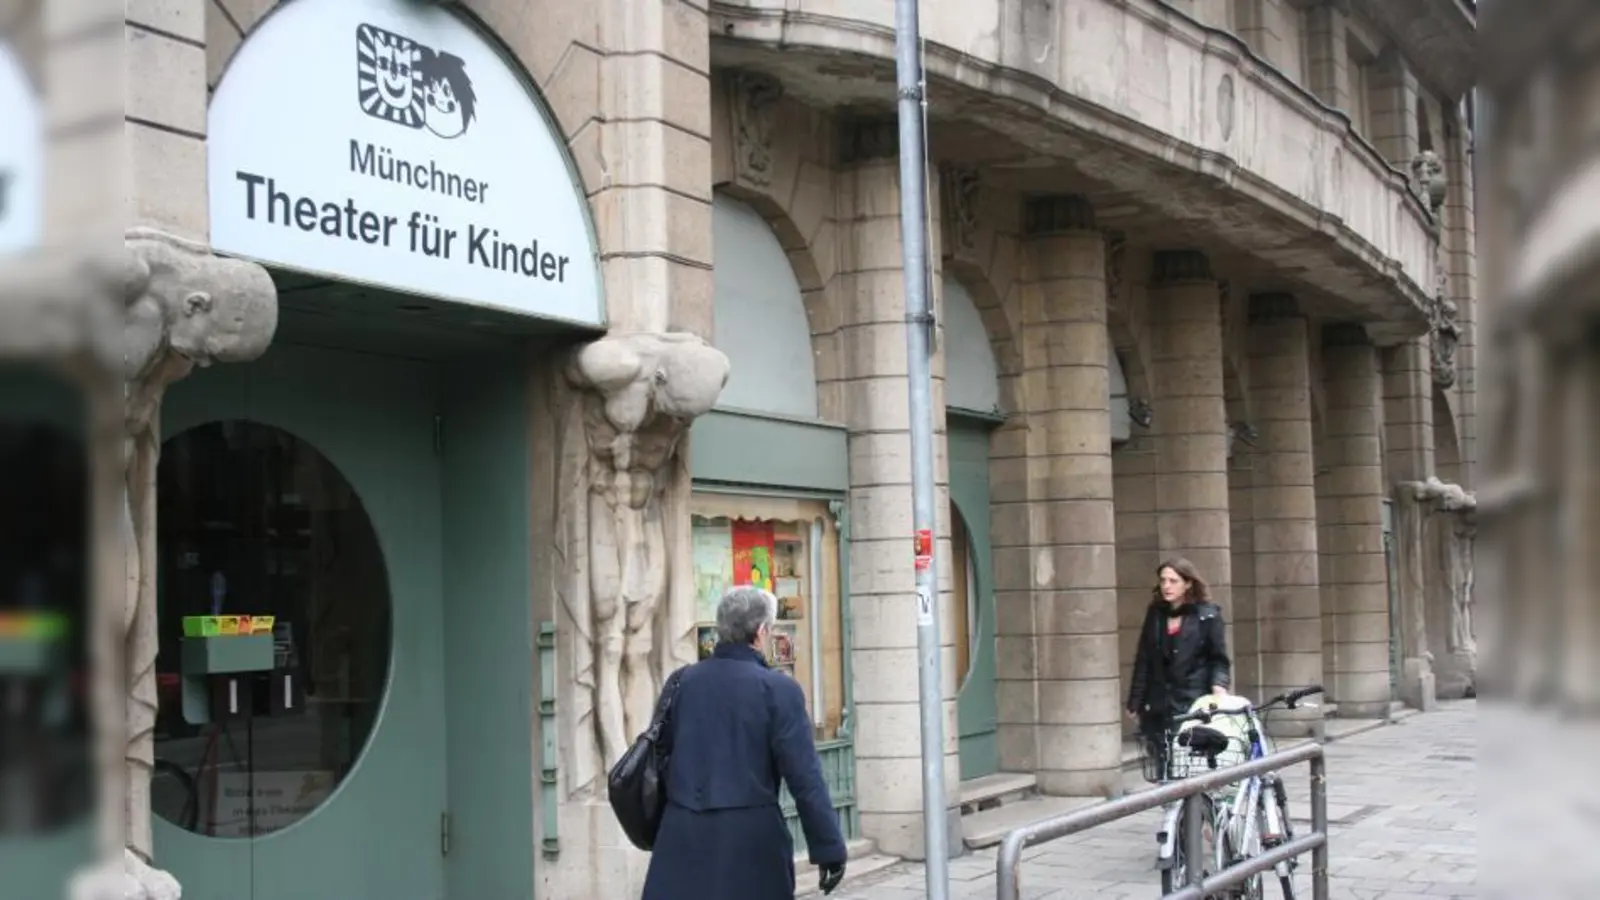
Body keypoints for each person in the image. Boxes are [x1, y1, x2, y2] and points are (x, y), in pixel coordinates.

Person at [642, 586, 847, 900]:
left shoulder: (682, 681)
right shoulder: (778, 689)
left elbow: (660, 756)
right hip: (750, 844)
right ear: (762, 631)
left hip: (681, 838)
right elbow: (804, 778)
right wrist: (828, 847)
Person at [1124, 557, 1232, 779]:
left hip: (1192, 701)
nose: (1166, 586)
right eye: (1163, 580)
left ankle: (1193, 809)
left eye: (1173, 581)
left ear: (1188, 583)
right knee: (1162, 764)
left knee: (1187, 763)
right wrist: (1135, 701)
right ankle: (1172, 808)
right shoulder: (1155, 614)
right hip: (1158, 705)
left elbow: (1219, 659)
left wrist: (1218, 687)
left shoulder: (1207, 615)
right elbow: (1144, 659)